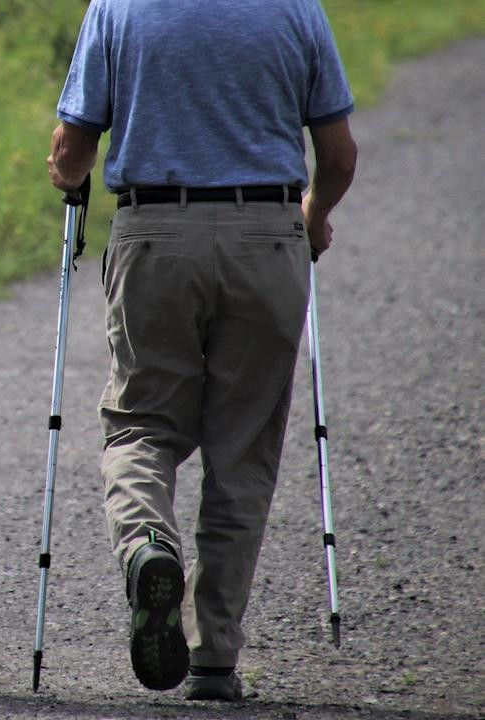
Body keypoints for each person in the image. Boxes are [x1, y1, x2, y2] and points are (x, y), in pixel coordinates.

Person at [47, 0, 357, 701]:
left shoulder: (118, 7)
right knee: (241, 449)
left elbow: (72, 150)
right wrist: (312, 218)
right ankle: (213, 654)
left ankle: (147, 545)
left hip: (156, 234)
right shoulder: (296, 9)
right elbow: (338, 156)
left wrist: (65, 180)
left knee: (140, 426)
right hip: (268, 236)